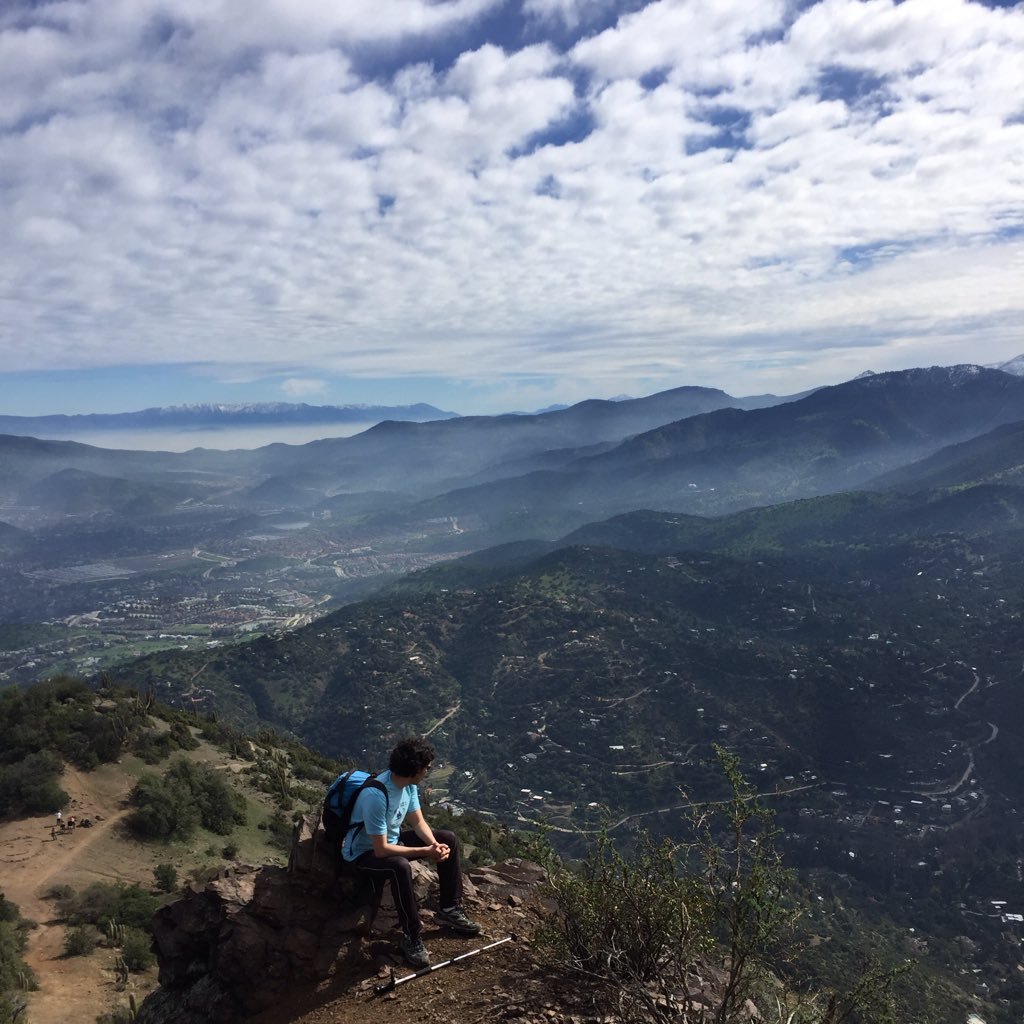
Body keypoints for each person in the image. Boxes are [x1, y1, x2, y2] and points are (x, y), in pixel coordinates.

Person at [341, 736, 480, 968]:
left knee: (449, 839)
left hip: (390, 842)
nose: (428, 770)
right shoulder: (376, 795)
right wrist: (426, 850)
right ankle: (411, 936)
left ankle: (450, 909)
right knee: (399, 866)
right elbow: (381, 849)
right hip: (362, 855)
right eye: (427, 767)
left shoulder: (408, 785)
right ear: (415, 770)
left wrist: (434, 845)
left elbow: (418, 822)